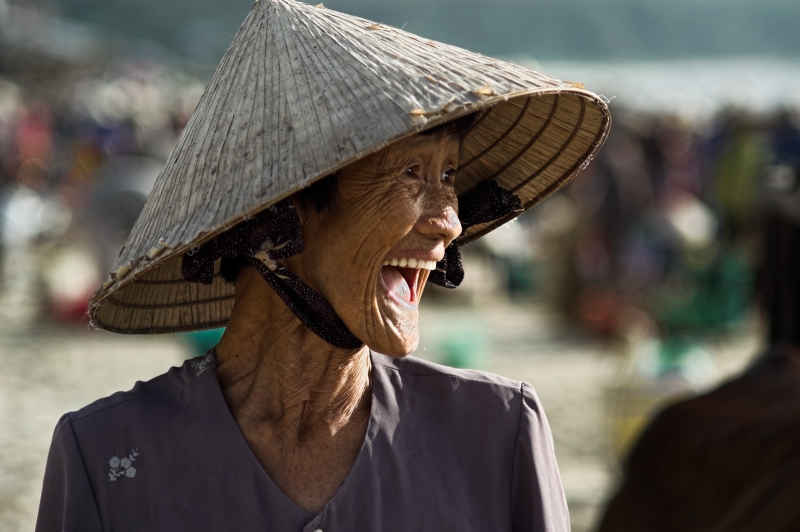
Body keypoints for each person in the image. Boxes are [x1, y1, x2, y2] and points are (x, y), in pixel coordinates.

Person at [36, 1, 610, 530]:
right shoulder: (109, 458)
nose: (450, 222)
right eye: (411, 173)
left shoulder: (496, 433)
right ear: (280, 214)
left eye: (450, 175)